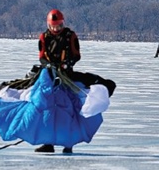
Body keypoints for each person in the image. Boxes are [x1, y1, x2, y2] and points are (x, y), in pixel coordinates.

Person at [35, 9, 116, 154]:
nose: (56, 29)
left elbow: (76, 55)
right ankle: (48, 143)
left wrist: (66, 64)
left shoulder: (70, 36)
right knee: (47, 110)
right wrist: (48, 65)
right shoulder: (44, 37)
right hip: (49, 76)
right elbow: (41, 56)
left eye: (58, 26)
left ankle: (69, 143)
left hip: (66, 75)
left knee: (69, 111)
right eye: (53, 26)